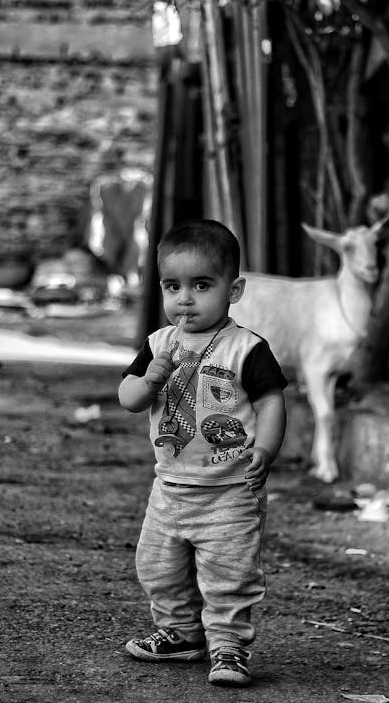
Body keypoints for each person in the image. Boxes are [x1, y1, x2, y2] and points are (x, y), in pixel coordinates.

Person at [118, 219, 288, 687]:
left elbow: (271, 400)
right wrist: (150, 378)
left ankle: (229, 647)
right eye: (173, 287)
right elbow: (129, 398)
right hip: (170, 486)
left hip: (230, 489)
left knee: (228, 571)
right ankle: (181, 633)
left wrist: (267, 449)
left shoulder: (247, 348)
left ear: (233, 290)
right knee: (157, 565)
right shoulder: (158, 344)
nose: (185, 299)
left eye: (201, 285)